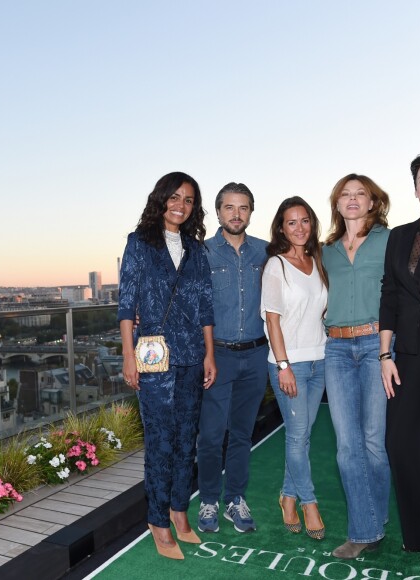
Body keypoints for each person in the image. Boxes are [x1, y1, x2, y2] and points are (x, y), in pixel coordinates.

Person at [118, 171, 216, 560]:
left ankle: (179, 510)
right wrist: (128, 355)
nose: (181, 205)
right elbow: (126, 304)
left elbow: (206, 306)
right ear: (161, 200)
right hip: (153, 356)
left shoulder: (196, 249)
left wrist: (210, 353)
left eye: (189, 200)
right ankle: (157, 519)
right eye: (174, 197)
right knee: (159, 441)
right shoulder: (139, 243)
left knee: (185, 438)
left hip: (193, 354)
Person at [322, 173, 391, 559]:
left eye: (359, 194)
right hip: (335, 348)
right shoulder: (326, 248)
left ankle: (375, 522)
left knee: (372, 441)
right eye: (344, 195)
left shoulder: (389, 240)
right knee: (347, 446)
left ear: (372, 202)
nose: (352, 200)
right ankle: (364, 531)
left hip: (377, 344)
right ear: (337, 203)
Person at [197, 182, 268, 534]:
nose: (236, 214)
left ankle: (234, 499)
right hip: (217, 356)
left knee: (242, 434)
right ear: (219, 211)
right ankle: (208, 498)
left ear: (251, 212)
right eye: (229, 207)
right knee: (211, 435)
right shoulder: (203, 253)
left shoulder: (267, 253)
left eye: (243, 208)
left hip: (256, 356)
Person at [261, 197, 328, 540]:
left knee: (301, 437)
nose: (299, 227)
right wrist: (284, 365)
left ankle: (286, 497)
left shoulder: (316, 260)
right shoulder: (277, 265)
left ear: (312, 224)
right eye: (291, 222)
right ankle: (308, 502)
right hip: (290, 365)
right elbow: (272, 321)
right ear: (281, 228)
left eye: (305, 221)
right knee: (299, 436)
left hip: (321, 360)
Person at [379, 152, 420, 575]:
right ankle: (418, 533)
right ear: (416, 187)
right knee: (401, 443)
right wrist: (384, 354)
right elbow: (390, 296)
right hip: (408, 357)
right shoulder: (400, 237)